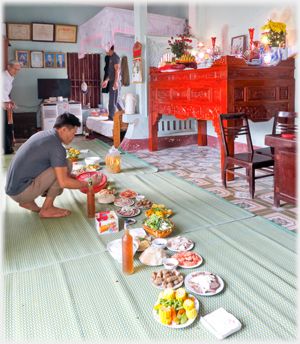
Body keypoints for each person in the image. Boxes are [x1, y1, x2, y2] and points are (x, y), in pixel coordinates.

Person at [5, 112, 103, 218]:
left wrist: (75, 178)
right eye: (73, 133)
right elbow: (63, 182)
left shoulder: (43, 135)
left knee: (62, 167)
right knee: (67, 164)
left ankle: (28, 202)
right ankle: (47, 208)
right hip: (21, 192)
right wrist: (89, 184)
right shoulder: (57, 147)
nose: (73, 137)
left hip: (13, 189)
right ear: (64, 129)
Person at [2, 59, 21, 155]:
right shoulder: (3, 77)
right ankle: (7, 150)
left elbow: (4, 93)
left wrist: (9, 101)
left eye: (18, 70)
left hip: (6, 104)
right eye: (15, 69)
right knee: (5, 128)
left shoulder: (10, 78)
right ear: (9, 67)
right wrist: (2, 103)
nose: (16, 71)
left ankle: (8, 149)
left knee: (9, 127)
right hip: (2, 105)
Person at [101, 45, 124, 120]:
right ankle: (125, 114)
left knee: (113, 101)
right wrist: (106, 80)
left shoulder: (115, 58)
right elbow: (112, 73)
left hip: (115, 82)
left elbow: (117, 70)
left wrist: (116, 82)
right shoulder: (111, 57)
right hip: (112, 81)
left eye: (105, 49)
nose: (105, 50)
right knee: (116, 100)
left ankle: (111, 118)